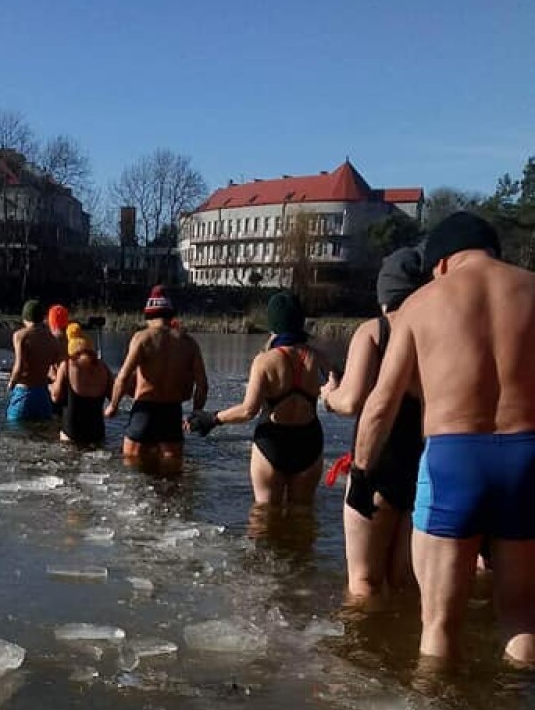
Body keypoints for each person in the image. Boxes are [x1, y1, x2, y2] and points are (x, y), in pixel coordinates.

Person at [353, 211, 535, 666]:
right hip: (526, 456)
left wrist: (361, 475)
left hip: (454, 458)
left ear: (441, 262)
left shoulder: (423, 302)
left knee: (438, 623)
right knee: (520, 615)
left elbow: (381, 404)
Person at [321, 247, 426, 597]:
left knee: (364, 583)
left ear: (385, 294)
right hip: (423, 469)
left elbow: (351, 402)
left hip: (377, 465)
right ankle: (399, 650)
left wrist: (327, 396)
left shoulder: (375, 330)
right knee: (405, 584)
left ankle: (361, 651)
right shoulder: (438, 333)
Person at [189, 292, 323, 504]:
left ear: (274, 323)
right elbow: (337, 393)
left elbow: (248, 411)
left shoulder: (265, 361)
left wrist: (212, 419)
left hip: (273, 442)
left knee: (264, 516)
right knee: (302, 515)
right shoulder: (319, 357)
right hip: (309, 442)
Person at [105, 286, 208, 475]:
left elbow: (123, 376)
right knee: (172, 474)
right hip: (171, 413)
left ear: (149, 314)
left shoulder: (142, 338)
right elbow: (202, 385)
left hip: (144, 410)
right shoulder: (189, 343)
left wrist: (113, 405)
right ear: (170, 315)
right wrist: (196, 413)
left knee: (131, 469)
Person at [50, 326, 113, 446]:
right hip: (97, 433)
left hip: (72, 433)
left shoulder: (67, 366)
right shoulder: (104, 368)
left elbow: (55, 397)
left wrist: (54, 380)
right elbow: (113, 397)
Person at [7, 300, 62, 422]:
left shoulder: (20, 335)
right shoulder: (53, 340)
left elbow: (19, 366)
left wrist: (11, 382)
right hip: (43, 394)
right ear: (42, 317)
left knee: (15, 433)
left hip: (24, 392)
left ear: (25, 317)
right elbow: (59, 369)